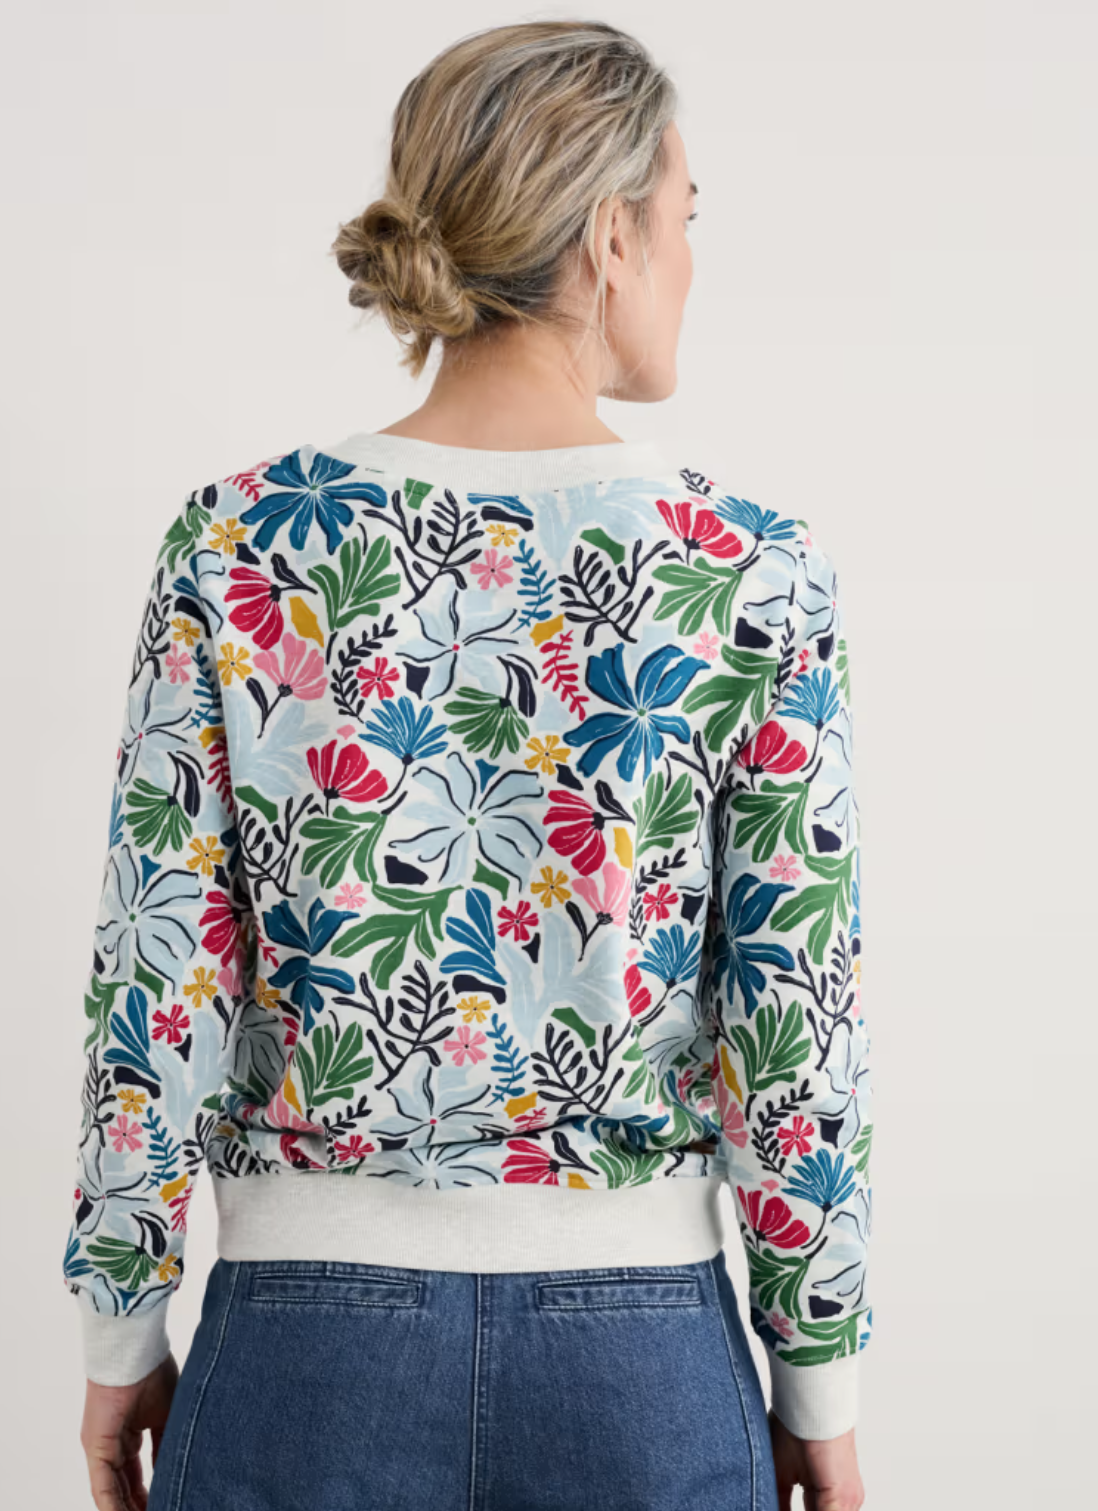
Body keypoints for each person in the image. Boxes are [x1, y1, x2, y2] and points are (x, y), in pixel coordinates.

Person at [66, 20, 871, 1511]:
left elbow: (158, 970)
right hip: (640, 1360)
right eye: (687, 216)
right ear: (612, 237)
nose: (692, 259)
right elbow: (795, 1014)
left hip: (302, 1345)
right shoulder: (750, 566)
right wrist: (817, 1374)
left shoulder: (242, 540)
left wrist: (122, 1328)